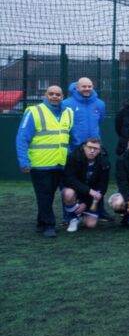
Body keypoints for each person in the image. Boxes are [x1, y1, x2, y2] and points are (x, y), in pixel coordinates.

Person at [17, 85, 74, 237]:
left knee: (50, 195)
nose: (54, 96)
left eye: (58, 94)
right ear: (45, 95)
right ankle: (49, 225)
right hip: (40, 164)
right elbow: (22, 138)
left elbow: (68, 137)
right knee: (45, 195)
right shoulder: (34, 111)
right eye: (51, 94)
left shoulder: (68, 112)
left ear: (62, 96)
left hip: (61, 163)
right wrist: (24, 161)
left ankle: (41, 222)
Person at [60, 136, 110, 232]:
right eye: (89, 147)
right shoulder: (73, 157)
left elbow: (103, 186)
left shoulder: (104, 162)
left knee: (90, 225)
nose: (92, 151)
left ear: (99, 150)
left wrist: (86, 204)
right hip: (77, 191)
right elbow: (69, 180)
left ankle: (81, 215)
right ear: (84, 147)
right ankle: (73, 218)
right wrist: (89, 191)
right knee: (68, 193)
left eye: (95, 149)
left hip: (92, 197)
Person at [63, 77, 106, 151]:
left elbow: (100, 121)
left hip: (94, 147)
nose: (87, 88)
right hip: (75, 147)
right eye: (84, 86)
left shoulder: (100, 104)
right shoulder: (66, 104)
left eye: (89, 86)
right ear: (77, 88)